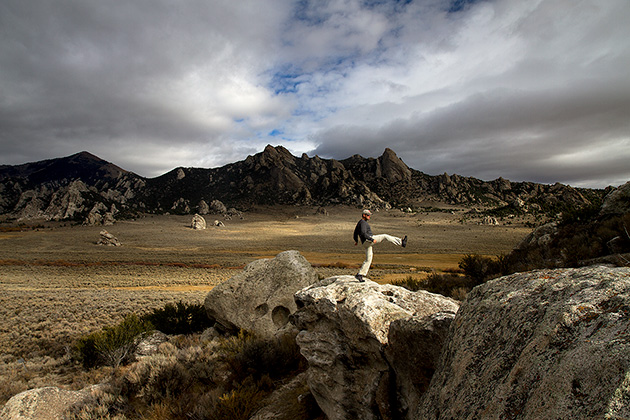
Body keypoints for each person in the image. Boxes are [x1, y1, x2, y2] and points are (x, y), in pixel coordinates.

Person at [353, 209, 407, 282]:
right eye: (368, 215)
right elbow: (363, 233)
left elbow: (355, 233)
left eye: (369, 215)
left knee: (368, 259)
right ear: (364, 215)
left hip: (365, 243)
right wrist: (371, 239)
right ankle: (401, 242)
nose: (369, 216)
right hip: (368, 240)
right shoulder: (363, 223)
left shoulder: (360, 223)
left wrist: (356, 240)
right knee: (385, 236)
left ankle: (360, 274)